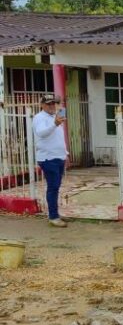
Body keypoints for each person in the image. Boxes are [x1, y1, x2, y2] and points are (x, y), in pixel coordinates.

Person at [32, 94, 68, 227]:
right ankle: (53, 216)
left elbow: (59, 138)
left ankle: (55, 213)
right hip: (48, 157)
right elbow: (41, 133)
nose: (52, 106)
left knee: (56, 186)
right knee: (53, 187)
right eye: (49, 104)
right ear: (42, 105)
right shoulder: (39, 118)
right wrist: (54, 124)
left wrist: (66, 153)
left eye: (53, 103)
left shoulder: (55, 117)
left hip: (58, 156)